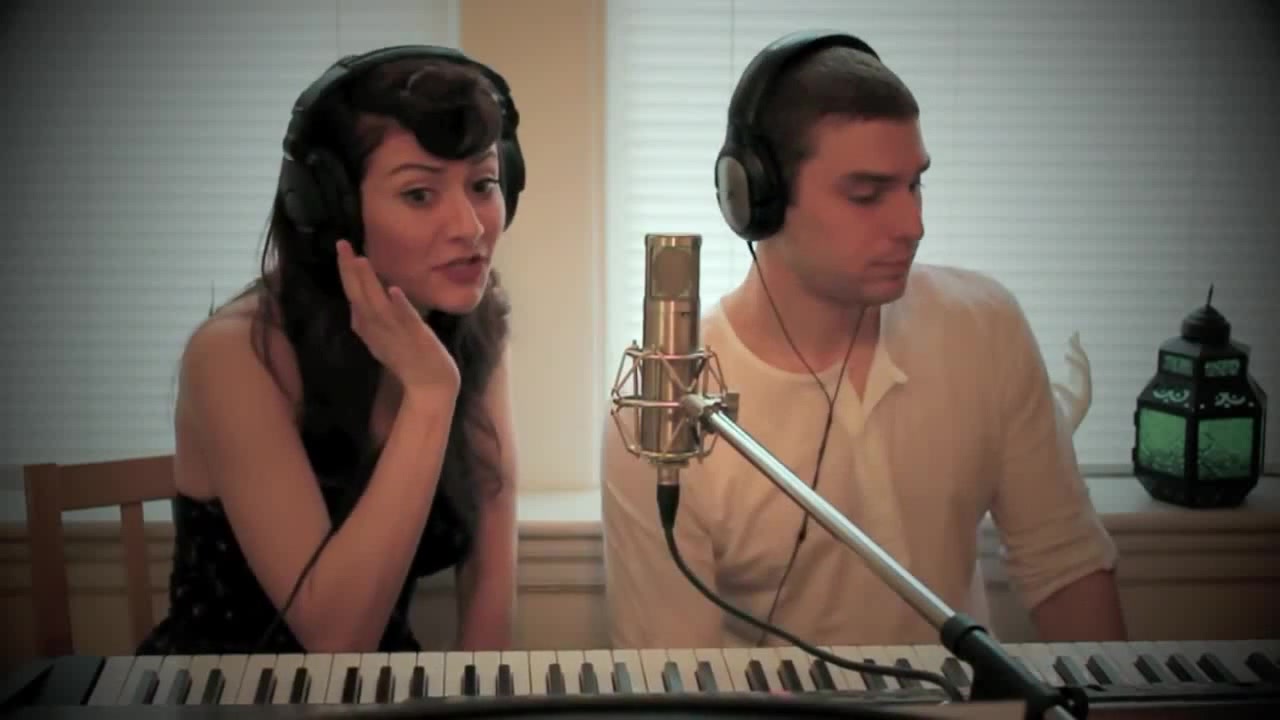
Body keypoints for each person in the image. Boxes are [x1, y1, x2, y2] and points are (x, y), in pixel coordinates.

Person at [600, 31, 1127, 650]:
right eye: (867, 194)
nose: (912, 225)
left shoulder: (986, 327)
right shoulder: (664, 411)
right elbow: (680, 677)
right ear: (757, 198)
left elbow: (1064, 565)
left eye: (914, 186)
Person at [138, 45, 525, 655]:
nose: (470, 227)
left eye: (483, 185)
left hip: (383, 691)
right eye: (419, 194)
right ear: (331, 207)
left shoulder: (468, 323)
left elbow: (489, 579)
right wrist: (429, 395)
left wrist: (484, 697)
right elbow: (336, 639)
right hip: (227, 691)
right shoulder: (233, 356)